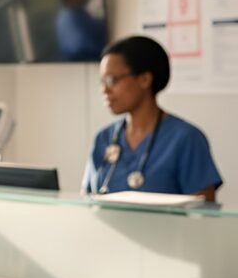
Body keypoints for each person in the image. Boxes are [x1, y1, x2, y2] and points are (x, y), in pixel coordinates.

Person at [83, 34, 222, 200]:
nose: (105, 90)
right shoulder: (104, 139)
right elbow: (86, 202)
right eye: (102, 81)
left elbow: (204, 215)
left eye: (112, 80)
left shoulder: (186, 139)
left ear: (144, 79)